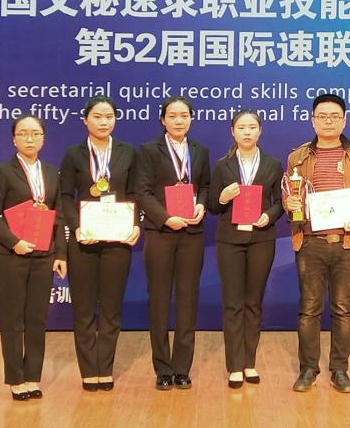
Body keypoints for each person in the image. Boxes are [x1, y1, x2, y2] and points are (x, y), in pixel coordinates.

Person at [282, 93, 350, 393]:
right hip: (310, 242)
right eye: (322, 116)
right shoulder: (297, 157)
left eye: (335, 116)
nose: (328, 121)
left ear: (344, 121)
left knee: (343, 310)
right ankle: (308, 368)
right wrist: (290, 205)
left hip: (347, 242)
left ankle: (340, 370)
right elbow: (289, 198)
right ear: (313, 121)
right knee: (309, 310)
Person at [0, 115, 67, 401]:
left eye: (35, 133)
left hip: (44, 256)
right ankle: (15, 379)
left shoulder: (52, 172)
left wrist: (60, 254)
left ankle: (32, 376)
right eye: (23, 133)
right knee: (12, 319)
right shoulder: (3, 172)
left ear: (43, 138)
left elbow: (58, 216)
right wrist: (14, 242)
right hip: (13, 256)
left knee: (36, 319)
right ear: (14, 139)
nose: (29, 138)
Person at [59, 96, 140, 392]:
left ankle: (104, 369)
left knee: (111, 308)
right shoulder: (73, 154)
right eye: (97, 116)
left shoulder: (127, 152)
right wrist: (77, 227)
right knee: (83, 310)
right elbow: (65, 195)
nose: (104, 122)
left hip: (118, 240)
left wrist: (135, 224)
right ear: (85, 120)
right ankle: (88, 371)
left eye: (109, 116)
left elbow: (134, 193)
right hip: (85, 239)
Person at [135, 96, 210, 391]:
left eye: (184, 115)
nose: (179, 120)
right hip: (160, 233)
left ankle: (182, 368)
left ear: (191, 118)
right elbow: (142, 192)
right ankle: (163, 368)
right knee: (159, 300)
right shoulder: (148, 150)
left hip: (192, 233)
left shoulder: (200, 150)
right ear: (163, 120)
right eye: (173, 115)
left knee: (187, 300)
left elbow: (205, 186)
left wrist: (201, 204)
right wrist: (166, 218)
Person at [208, 110, 284, 389]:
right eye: (241, 127)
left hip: (261, 238)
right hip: (230, 239)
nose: (247, 132)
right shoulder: (222, 166)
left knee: (253, 301)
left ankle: (249, 362)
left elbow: (281, 201)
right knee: (233, 303)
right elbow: (213, 207)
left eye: (252, 127)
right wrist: (223, 197)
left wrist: (269, 215)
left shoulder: (273, 164)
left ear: (260, 131)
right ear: (233, 132)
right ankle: (234, 366)